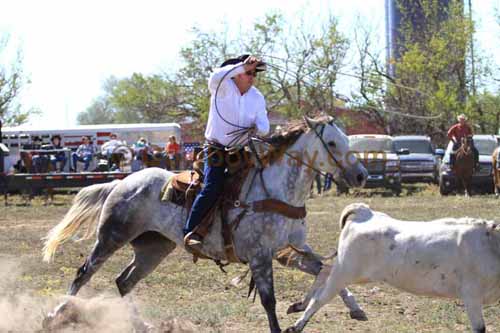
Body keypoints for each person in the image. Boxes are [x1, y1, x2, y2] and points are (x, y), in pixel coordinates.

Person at [183, 54, 270, 248]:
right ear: (236, 74)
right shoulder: (222, 86)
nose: (252, 77)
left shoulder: (257, 97)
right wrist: (241, 65)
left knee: (258, 181)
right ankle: (191, 229)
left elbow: (264, 125)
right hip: (216, 149)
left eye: (254, 73)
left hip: (240, 150)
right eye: (248, 73)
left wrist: (258, 129)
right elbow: (214, 76)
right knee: (213, 186)